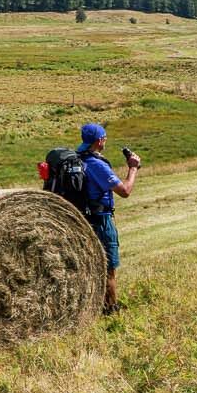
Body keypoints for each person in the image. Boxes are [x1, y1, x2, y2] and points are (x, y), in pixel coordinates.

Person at [76, 122, 139, 314]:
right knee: (108, 267)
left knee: (91, 265)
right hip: (101, 220)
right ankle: (111, 310)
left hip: (83, 218)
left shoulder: (79, 159)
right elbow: (125, 191)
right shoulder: (96, 164)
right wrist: (133, 168)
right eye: (104, 138)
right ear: (99, 141)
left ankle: (93, 305)